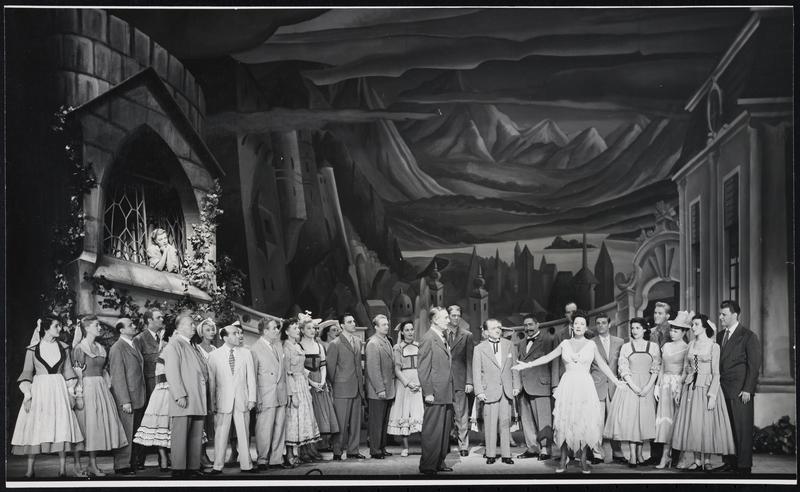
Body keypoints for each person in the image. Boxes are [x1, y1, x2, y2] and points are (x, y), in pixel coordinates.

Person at [513, 311, 623, 474]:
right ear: (572, 326)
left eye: (582, 324)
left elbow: (603, 365)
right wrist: (527, 365)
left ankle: (583, 459)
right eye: (576, 323)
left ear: (586, 327)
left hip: (585, 387)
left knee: (584, 422)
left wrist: (616, 381)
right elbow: (547, 357)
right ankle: (564, 458)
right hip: (568, 386)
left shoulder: (591, 345)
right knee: (565, 422)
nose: (578, 326)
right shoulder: (565, 343)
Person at [11, 317, 84, 478]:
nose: (60, 329)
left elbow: (68, 371)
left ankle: (62, 470)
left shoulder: (64, 347)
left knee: (61, 426)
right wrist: (27, 395)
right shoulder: (33, 349)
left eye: (60, 326)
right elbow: (27, 372)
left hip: (59, 390)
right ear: (45, 328)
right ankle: (30, 470)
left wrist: (71, 392)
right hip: (40, 391)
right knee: (35, 426)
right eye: (56, 326)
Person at [671, 314, 736, 471]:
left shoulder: (714, 346)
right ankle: (697, 460)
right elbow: (686, 369)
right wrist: (679, 388)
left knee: (707, 424)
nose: (693, 327)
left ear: (704, 326)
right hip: (691, 389)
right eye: (692, 324)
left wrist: (712, 395)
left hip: (707, 388)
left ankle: (707, 460)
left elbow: (716, 373)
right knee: (693, 423)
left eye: (696, 324)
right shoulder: (691, 345)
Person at [72, 316, 128, 477]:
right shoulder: (79, 348)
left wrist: (107, 386)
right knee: (84, 427)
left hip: (100, 388)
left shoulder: (100, 348)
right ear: (87, 328)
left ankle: (92, 464)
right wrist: (79, 395)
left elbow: (103, 371)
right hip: (86, 389)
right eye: (96, 325)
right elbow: (76, 375)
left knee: (96, 427)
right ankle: (77, 465)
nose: (100, 328)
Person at [602, 317, 661, 467]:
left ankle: (640, 455)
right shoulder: (626, 347)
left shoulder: (653, 347)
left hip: (647, 385)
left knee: (643, 421)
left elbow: (656, 368)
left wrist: (648, 387)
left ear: (645, 329)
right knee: (632, 421)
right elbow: (623, 368)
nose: (634, 331)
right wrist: (634, 387)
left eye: (637, 328)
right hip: (630, 386)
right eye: (632, 328)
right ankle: (633, 456)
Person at [715, 300, 761, 475]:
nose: (720, 317)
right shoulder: (720, 335)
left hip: (741, 391)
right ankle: (729, 462)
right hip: (723, 389)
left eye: (724, 314)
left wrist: (748, 389)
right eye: (720, 314)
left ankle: (743, 465)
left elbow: (754, 366)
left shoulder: (748, 336)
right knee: (726, 428)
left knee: (742, 429)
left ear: (735, 315)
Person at [162, 312, 210, 478]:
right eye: (190, 324)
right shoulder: (174, 345)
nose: (193, 327)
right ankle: (179, 468)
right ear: (180, 327)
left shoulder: (191, 345)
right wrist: (179, 395)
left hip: (196, 397)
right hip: (185, 397)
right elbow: (172, 371)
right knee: (181, 434)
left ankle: (192, 467)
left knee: (196, 434)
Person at [206, 324, 256, 474]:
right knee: (221, 434)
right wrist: (212, 402)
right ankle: (217, 466)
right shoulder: (214, 355)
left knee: (244, 433)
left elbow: (251, 378)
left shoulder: (246, 353)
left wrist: (252, 399)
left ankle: (247, 465)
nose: (238, 335)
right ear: (224, 337)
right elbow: (212, 382)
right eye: (234, 333)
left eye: (239, 333)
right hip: (222, 400)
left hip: (242, 399)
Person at [473, 319, 521, 465]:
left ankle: (506, 454)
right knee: (490, 424)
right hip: (489, 391)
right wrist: (479, 391)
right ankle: (490, 454)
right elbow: (476, 371)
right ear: (486, 332)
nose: (498, 330)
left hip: (506, 390)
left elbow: (514, 366)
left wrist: (516, 385)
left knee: (505, 423)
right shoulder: (479, 348)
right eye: (494, 328)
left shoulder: (509, 344)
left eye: (499, 327)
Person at [418, 306, 456, 475]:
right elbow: (423, 368)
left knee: (444, 431)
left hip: (445, 391)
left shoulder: (442, 337)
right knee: (433, 431)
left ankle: (439, 462)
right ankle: (428, 465)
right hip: (435, 393)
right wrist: (428, 392)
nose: (448, 320)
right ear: (435, 320)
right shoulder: (428, 338)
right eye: (445, 317)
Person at [514, 315, 557, 461]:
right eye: (525, 325)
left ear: (538, 325)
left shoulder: (548, 340)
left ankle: (545, 449)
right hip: (523, 387)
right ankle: (532, 448)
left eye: (531, 324)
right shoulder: (521, 343)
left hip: (541, 386)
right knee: (527, 421)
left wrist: (555, 385)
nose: (528, 328)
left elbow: (555, 363)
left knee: (544, 419)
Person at [108, 317, 147, 476]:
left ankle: (131, 463)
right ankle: (122, 465)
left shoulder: (134, 344)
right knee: (126, 431)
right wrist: (124, 401)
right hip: (127, 399)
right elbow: (117, 376)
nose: (134, 326)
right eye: (130, 325)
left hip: (138, 396)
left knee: (134, 432)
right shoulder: (117, 348)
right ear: (121, 330)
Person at [133, 328, 175, 472]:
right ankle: (163, 456)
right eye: (175, 335)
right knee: (161, 425)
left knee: (174, 427)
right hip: (164, 393)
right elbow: (162, 377)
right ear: (168, 339)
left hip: (175, 392)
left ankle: (174, 457)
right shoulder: (164, 354)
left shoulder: (179, 352)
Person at [326, 313, 367, 461]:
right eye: (349, 322)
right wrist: (336, 384)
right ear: (342, 325)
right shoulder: (335, 343)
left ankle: (353, 450)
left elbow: (358, 365)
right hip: (341, 388)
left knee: (356, 422)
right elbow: (331, 368)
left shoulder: (357, 341)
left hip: (357, 387)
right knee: (341, 422)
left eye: (354, 321)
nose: (353, 323)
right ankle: (337, 451)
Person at [653, 310, 690, 469]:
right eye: (672, 330)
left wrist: (680, 387)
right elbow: (661, 367)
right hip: (665, 385)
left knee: (679, 421)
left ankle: (681, 457)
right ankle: (664, 457)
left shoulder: (687, 347)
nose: (672, 333)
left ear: (684, 332)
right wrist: (657, 385)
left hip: (678, 385)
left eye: (676, 330)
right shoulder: (666, 346)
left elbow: (686, 370)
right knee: (665, 422)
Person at [251, 318, 290, 470]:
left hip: (280, 393)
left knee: (279, 428)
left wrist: (288, 393)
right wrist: (257, 398)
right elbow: (253, 376)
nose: (277, 330)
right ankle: (262, 459)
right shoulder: (255, 349)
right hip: (265, 394)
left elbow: (284, 372)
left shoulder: (278, 345)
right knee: (264, 428)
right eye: (273, 328)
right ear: (265, 331)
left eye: (277, 328)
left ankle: (276, 459)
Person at [299, 316, 339, 461]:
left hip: (319, 382)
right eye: (309, 328)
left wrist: (321, 381)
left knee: (321, 417)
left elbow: (323, 366)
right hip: (306, 382)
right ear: (302, 330)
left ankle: (315, 448)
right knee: (309, 416)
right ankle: (306, 450)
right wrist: (312, 383)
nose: (312, 331)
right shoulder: (299, 346)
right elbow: (300, 368)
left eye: (314, 328)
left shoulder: (319, 346)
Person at [282, 317, 321, 465]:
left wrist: (311, 383)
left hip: (302, 384)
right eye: (294, 328)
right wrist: (293, 394)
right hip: (293, 385)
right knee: (292, 419)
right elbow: (287, 372)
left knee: (304, 417)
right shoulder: (286, 348)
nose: (297, 330)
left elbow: (301, 368)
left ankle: (303, 451)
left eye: (298, 328)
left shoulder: (297, 346)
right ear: (287, 332)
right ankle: (289, 454)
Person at [132, 308, 166, 469]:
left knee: (164, 422)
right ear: (149, 321)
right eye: (158, 317)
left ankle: (163, 458)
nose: (162, 319)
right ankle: (139, 459)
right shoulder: (139, 339)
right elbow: (136, 367)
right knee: (145, 423)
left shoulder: (165, 338)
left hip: (164, 386)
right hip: (148, 388)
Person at [589, 313, 624, 464]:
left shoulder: (620, 342)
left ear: (609, 324)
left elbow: (622, 364)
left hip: (615, 387)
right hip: (597, 386)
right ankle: (597, 453)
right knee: (597, 422)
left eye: (604, 322)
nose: (601, 325)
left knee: (616, 421)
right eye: (598, 323)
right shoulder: (590, 342)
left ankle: (618, 452)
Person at [387, 321, 424, 457]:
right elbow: (397, 370)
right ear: (402, 332)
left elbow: (423, 366)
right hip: (404, 384)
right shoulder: (398, 348)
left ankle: (425, 447)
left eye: (411, 329)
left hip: (418, 383)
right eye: (407, 330)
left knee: (419, 413)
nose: (410, 332)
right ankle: (405, 447)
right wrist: (408, 383)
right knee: (404, 413)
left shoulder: (419, 346)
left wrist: (420, 382)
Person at [444, 305, 474, 457]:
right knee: (444, 414)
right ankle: (444, 444)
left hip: (460, 380)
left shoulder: (467, 335)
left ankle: (463, 446)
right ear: (448, 316)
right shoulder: (440, 333)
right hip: (443, 381)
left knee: (461, 414)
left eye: (458, 315)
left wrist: (469, 381)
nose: (456, 318)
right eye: (453, 315)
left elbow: (469, 360)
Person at [365, 314, 397, 459]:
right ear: (376, 327)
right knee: (376, 422)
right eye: (383, 325)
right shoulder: (373, 343)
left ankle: (381, 447)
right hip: (378, 390)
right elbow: (373, 369)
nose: (387, 327)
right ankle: (375, 450)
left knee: (384, 422)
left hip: (388, 388)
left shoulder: (386, 341)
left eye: (387, 324)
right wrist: (380, 389)